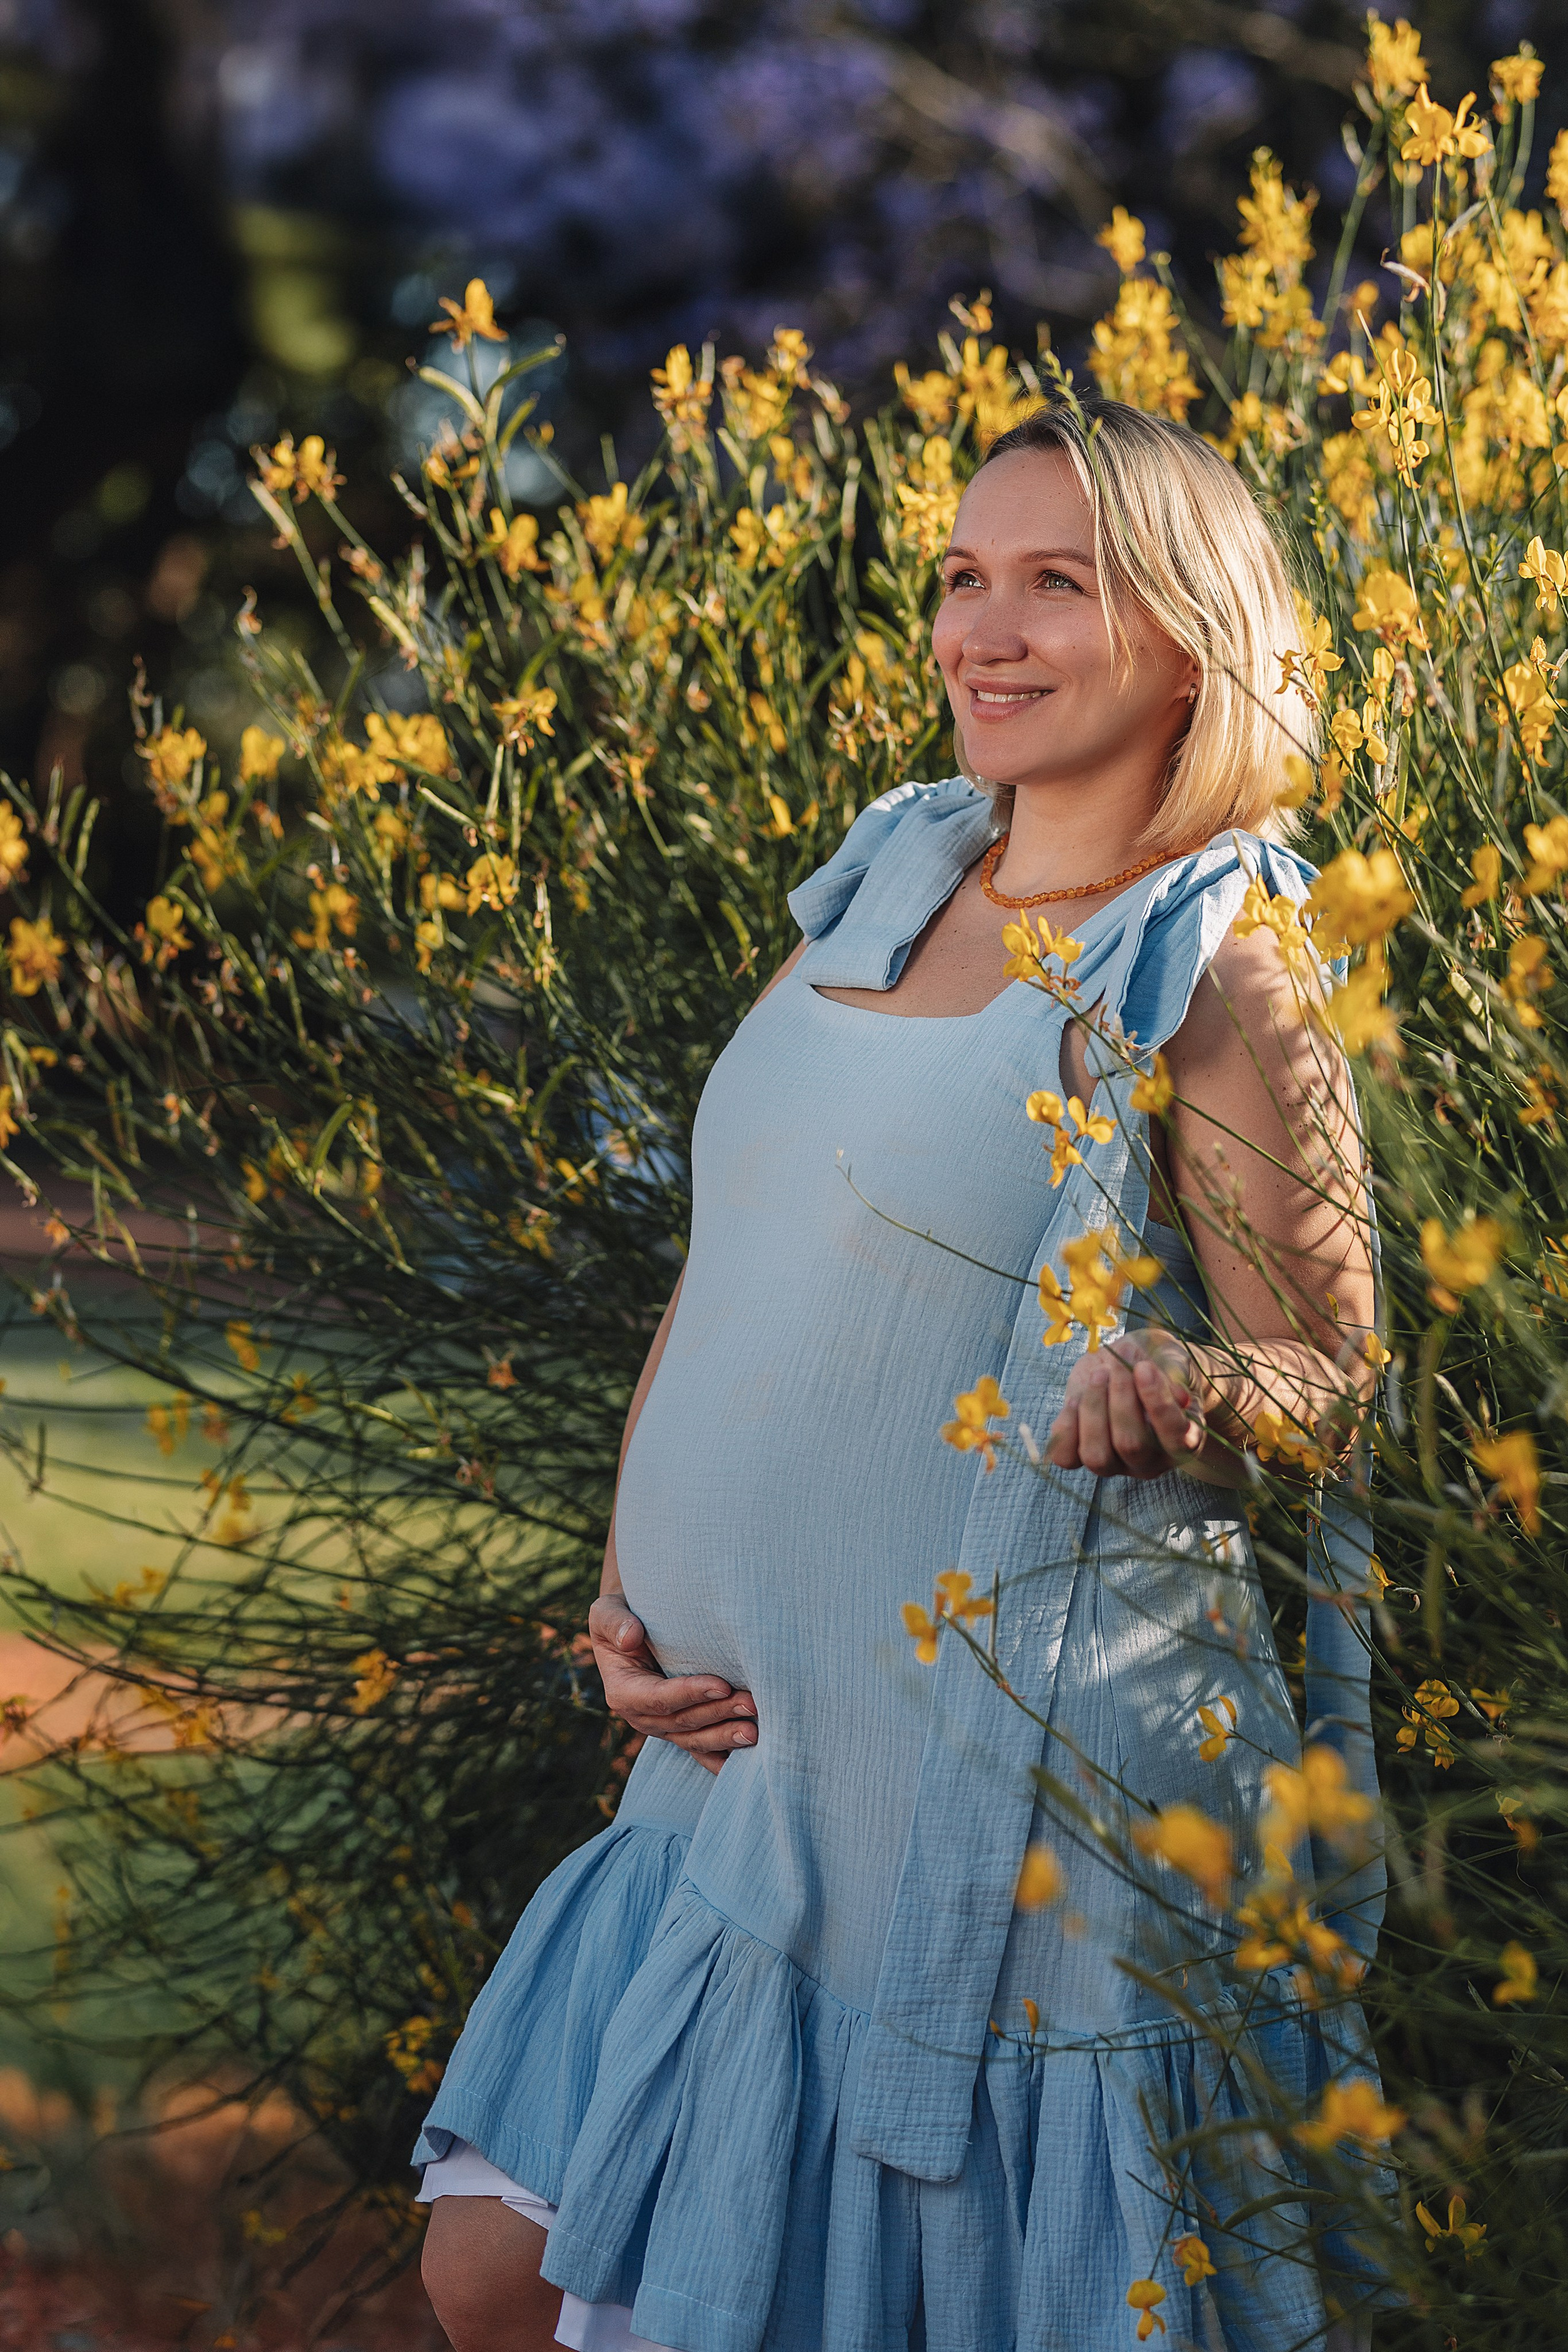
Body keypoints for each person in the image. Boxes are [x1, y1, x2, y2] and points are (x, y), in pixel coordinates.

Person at [417, 395, 1388, 2352]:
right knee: (495, 2276)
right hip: (739, 1759)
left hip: (1005, 1792)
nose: (983, 632)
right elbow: (738, 1257)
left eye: (1058, 583)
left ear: (1190, 636)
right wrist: (626, 1593)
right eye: (961, 577)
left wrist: (1196, 1386)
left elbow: (1336, 1375)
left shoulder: (1216, 960)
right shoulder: (891, 874)